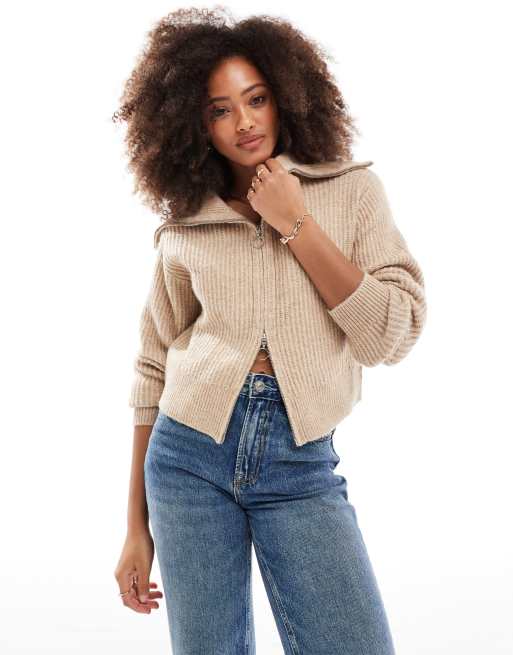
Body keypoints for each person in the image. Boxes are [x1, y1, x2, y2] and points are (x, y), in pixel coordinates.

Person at [113, 7, 427, 654]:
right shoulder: (187, 225)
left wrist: (295, 222)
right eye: (220, 110)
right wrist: (135, 527)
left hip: (299, 463)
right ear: (194, 123)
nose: (245, 122)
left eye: (256, 99)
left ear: (285, 95)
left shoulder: (351, 191)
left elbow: (390, 335)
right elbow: (152, 367)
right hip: (187, 458)